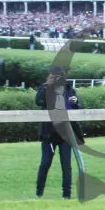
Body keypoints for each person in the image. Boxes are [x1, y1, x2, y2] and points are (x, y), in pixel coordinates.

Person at [35, 67, 83, 199]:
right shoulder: (45, 87)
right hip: (49, 134)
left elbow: (78, 107)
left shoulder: (69, 89)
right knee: (45, 163)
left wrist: (76, 102)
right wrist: (46, 86)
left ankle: (66, 195)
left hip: (66, 133)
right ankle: (39, 194)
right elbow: (38, 102)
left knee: (66, 165)